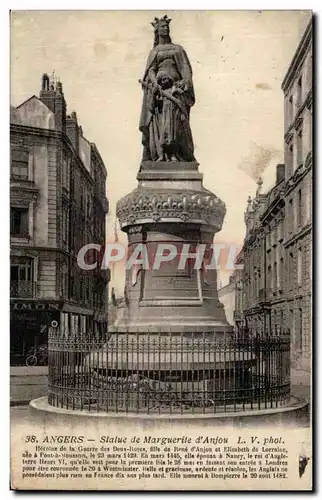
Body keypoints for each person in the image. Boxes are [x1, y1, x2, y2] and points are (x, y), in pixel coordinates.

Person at [139, 15, 196, 162]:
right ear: (157, 31)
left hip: (175, 92)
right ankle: (161, 154)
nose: (165, 29)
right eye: (162, 27)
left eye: (166, 26)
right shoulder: (154, 52)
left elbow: (185, 70)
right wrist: (154, 83)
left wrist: (183, 84)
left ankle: (176, 154)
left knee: (175, 123)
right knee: (160, 124)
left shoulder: (177, 49)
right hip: (159, 94)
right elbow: (151, 70)